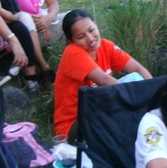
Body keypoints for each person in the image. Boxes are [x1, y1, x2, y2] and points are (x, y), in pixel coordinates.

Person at [53, 9, 151, 141]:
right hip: (74, 126)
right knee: (125, 98)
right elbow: (105, 80)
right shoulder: (72, 53)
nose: (90, 38)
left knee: (136, 78)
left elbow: (137, 68)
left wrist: (155, 92)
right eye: (81, 37)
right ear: (71, 41)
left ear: (96, 24)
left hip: (98, 108)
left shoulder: (105, 46)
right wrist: (135, 101)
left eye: (91, 30)